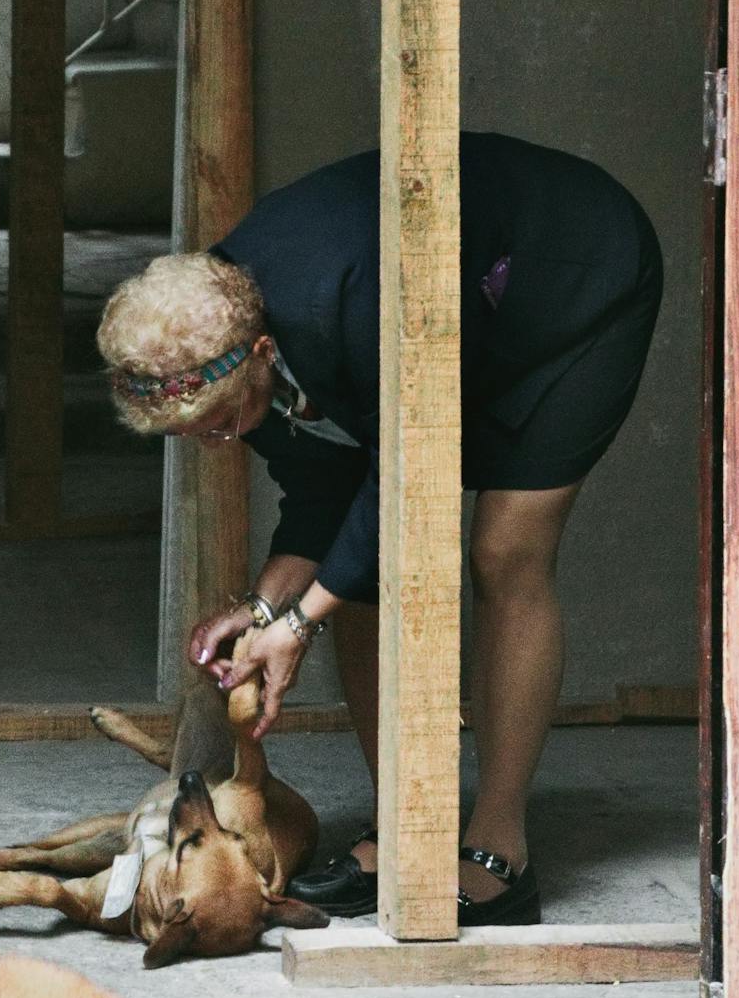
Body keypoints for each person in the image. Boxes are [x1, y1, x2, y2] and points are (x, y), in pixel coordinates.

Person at [95, 134, 663, 924]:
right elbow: (322, 493)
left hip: (570, 282)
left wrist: (298, 621)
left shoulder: (339, 306)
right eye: (193, 433)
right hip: (452, 297)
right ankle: (406, 822)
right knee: (352, 579)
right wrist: (262, 612)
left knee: (505, 551)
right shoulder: (214, 336)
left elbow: (404, 475)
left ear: (262, 353)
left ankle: (499, 848)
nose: (217, 440)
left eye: (222, 425)